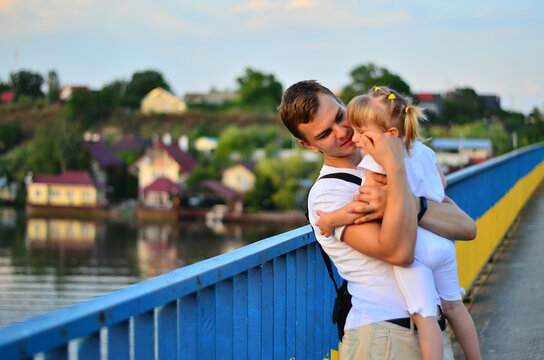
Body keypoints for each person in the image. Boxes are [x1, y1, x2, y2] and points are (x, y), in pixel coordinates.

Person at [279, 80, 477, 360]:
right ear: (308, 145)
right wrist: (396, 169)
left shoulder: (391, 159)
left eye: (339, 116)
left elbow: (467, 227)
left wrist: (410, 201)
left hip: (429, 329)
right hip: (385, 338)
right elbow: (401, 252)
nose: (343, 131)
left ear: (343, 103)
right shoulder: (328, 194)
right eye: (324, 134)